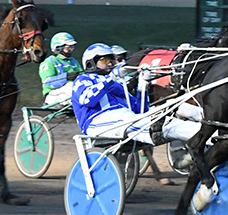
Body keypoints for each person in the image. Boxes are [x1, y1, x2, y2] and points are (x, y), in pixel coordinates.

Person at [71, 43, 200, 146]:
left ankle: (209, 132)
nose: (110, 64)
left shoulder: (117, 85)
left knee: (171, 114)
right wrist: (111, 78)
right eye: (104, 61)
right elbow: (87, 100)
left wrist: (142, 86)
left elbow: (140, 111)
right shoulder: (83, 80)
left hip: (125, 117)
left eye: (111, 61)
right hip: (96, 121)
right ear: (90, 63)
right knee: (140, 124)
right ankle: (154, 130)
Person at [39, 32, 81, 105]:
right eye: (68, 48)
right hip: (53, 95)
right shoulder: (49, 62)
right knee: (70, 86)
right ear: (58, 48)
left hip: (69, 93)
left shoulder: (73, 61)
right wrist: (66, 77)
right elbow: (47, 83)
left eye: (72, 47)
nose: (71, 50)